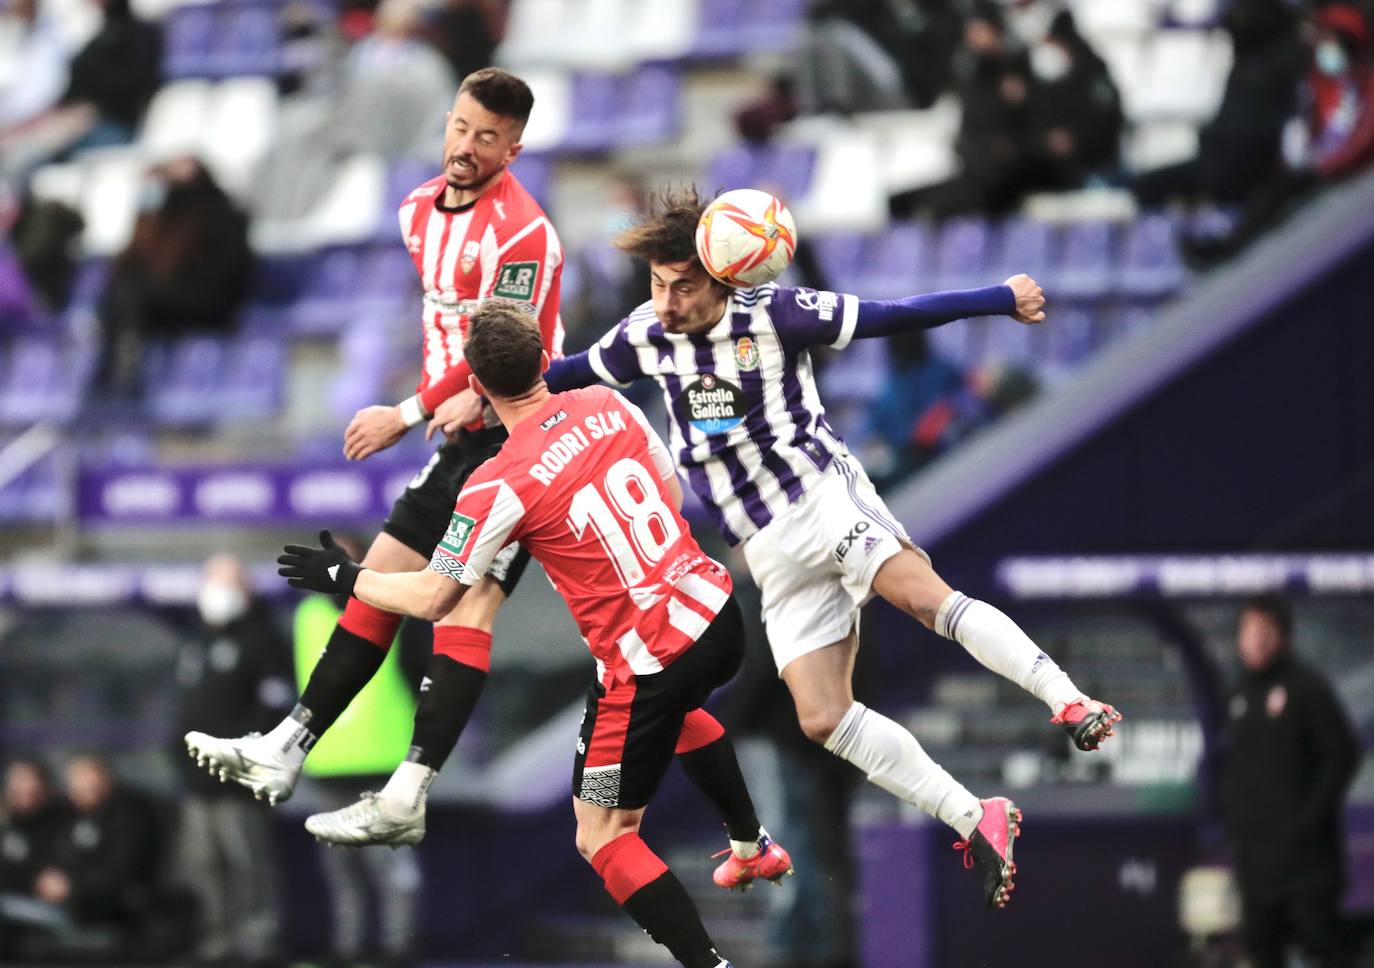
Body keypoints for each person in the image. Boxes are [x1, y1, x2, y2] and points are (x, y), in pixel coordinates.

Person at [540, 186, 1122, 909]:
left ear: (723, 275)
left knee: (920, 598)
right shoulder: (642, 337)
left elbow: (893, 316)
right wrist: (467, 398)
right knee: (821, 717)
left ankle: (1068, 699)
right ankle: (976, 817)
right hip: (766, 549)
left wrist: (999, 297)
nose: (666, 301)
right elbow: (557, 377)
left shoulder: (775, 313)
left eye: (682, 286)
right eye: (658, 285)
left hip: (820, 497)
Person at [277, 299, 778, 968]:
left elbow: (433, 597)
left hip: (647, 659)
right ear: (545, 360)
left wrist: (344, 575)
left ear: (475, 387)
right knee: (678, 712)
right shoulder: (608, 402)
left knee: (600, 836)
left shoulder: (494, 484)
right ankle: (751, 845)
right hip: (716, 611)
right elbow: (669, 488)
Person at [186, 67, 563, 823]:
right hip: (463, 438)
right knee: (375, 578)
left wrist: (408, 406)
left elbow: (506, 348)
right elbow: (448, 326)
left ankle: (408, 793)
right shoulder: (417, 210)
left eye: (486, 137)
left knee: (465, 609)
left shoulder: (523, 234)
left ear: (512, 149)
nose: (465, 146)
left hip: (520, 439)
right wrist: (442, 395)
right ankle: (288, 744)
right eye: (460, 127)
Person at [291, 534, 422, 966]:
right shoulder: (306, 615)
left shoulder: (393, 605)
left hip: (384, 761)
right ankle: (348, 949)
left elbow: (425, 673)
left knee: (389, 867)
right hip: (328, 761)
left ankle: (397, 949)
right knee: (340, 870)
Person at [1222, 594, 1359, 968]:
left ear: (1283, 636)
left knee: (1320, 946)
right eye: (1250, 631)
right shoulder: (1238, 694)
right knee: (1262, 950)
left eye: (1266, 632)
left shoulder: (1307, 688)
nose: (1257, 640)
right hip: (1256, 862)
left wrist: (1308, 818)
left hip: (1306, 862)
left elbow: (1342, 755)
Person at [171, 555, 290, 963]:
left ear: (246, 589)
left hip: (239, 777)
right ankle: (215, 945)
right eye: (213, 581)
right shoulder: (196, 639)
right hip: (195, 777)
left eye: (229, 583)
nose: (218, 592)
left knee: (247, 865)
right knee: (202, 866)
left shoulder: (264, 638)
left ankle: (257, 946)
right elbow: (185, 708)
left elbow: (275, 708)